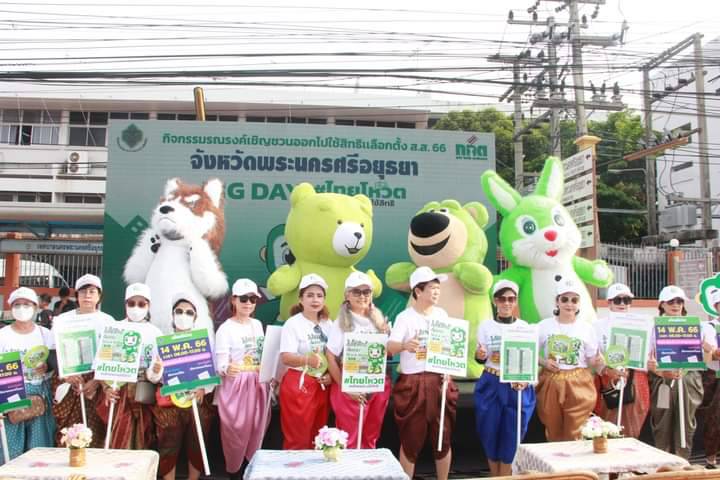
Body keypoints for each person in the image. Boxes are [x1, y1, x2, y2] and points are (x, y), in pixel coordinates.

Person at [388, 266, 458, 480]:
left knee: (443, 439)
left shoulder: (442, 315)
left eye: (438, 288)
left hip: (440, 381)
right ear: (418, 291)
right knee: (410, 440)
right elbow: (390, 347)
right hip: (413, 382)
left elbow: (449, 348)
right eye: (431, 288)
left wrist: (448, 370)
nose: (436, 292)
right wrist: (404, 345)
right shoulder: (405, 317)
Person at [149, 293, 216, 480]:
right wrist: (155, 370)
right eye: (179, 311)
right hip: (169, 402)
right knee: (168, 444)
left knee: (197, 443)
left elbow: (213, 371)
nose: (183, 315)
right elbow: (154, 377)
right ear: (172, 314)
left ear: (195, 317)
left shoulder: (205, 341)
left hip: (197, 400)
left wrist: (203, 388)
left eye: (188, 312)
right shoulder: (162, 342)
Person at [474, 280, 535, 476]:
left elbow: (530, 360)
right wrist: (480, 355)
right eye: (502, 299)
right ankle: (495, 476)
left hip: (516, 385)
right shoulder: (485, 326)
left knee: (514, 433)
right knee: (489, 431)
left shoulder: (525, 327)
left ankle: (506, 475)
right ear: (495, 301)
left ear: (516, 301)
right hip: (491, 382)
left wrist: (526, 380)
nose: (506, 303)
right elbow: (480, 356)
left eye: (511, 299)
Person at [326, 271, 391, 449]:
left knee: (371, 436)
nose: (362, 296)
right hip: (351, 387)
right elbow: (330, 356)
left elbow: (387, 353)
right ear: (347, 295)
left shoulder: (379, 320)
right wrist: (345, 387)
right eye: (357, 292)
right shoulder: (341, 322)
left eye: (366, 292)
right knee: (350, 439)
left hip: (376, 385)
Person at [50, 274, 113, 448]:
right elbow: (52, 353)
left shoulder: (108, 322)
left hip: (96, 381)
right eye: (83, 292)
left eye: (92, 292)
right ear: (76, 295)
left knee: (95, 431)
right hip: (69, 379)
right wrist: (67, 375)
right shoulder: (62, 320)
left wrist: (96, 380)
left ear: (99, 296)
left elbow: (112, 357)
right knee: (66, 432)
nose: (87, 296)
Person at [536, 279, 604, 441]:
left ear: (579, 303)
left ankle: (574, 466)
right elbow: (530, 352)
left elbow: (591, 360)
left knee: (576, 430)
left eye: (574, 300)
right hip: (551, 380)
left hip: (579, 382)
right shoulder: (544, 326)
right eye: (564, 299)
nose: (569, 304)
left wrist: (599, 360)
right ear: (557, 302)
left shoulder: (587, 328)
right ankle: (556, 464)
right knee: (552, 428)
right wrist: (545, 362)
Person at [215, 279, 270, 479]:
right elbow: (220, 363)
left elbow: (264, 354)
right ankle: (235, 473)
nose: (248, 303)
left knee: (257, 428)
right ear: (234, 300)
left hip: (258, 386)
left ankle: (252, 471)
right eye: (244, 298)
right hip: (236, 389)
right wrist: (226, 368)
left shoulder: (257, 325)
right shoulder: (225, 329)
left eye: (253, 299)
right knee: (235, 431)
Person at [99, 283, 162, 449]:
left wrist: (155, 371)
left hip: (145, 391)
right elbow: (103, 364)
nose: (136, 308)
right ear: (125, 304)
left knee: (145, 435)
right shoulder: (114, 329)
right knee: (119, 436)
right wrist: (106, 388)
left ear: (148, 306)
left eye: (141, 304)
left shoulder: (156, 333)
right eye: (131, 303)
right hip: (119, 392)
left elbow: (157, 372)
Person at [648, 285, 705, 459]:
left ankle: (682, 461)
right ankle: (662, 462)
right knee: (662, 422)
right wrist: (660, 372)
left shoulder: (696, 326)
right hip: (663, 383)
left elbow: (704, 358)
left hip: (688, 381)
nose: (676, 305)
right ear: (662, 305)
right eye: (671, 301)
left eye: (679, 301)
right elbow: (648, 361)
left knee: (686, 423)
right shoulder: (652, 327)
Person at [0, 287, 55, 463]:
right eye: (17, 304)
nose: (22, 308)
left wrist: (47, 367)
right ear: (11, 307)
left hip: (39, 392)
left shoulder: (45, 334)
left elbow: (55, 364)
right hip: (10, 392)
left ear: (35, 307)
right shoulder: (3, 335)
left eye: (26, 304)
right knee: (10, 444)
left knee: (39, 445)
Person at [279, 273, 333, 450]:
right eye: (309, 295)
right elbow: (286, 357)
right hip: (298, 385)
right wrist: (307, 360)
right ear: (300, 299)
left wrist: (330, 375)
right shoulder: (293, 324)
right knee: (298, 438)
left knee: (319, 438)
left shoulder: (328, 324)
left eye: (319, 295)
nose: (315, 300)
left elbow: (333, 355)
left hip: (321, 385)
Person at [593, 283, 651, 438]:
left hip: (636, 378)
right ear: (609, 302)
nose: (623, 304)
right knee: (607, 424)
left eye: (627, 300)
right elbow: (594, 355)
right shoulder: (597, 326)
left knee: (635, 421)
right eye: (618, 300)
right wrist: (607, 369)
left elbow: (648, 353)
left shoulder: (644, 324)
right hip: (609, 379)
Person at [701, 289, 720, 468]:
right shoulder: (708, 327)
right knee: (714, 416)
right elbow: (711, 354)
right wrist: (712, 351)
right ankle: (711, 458)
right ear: (716, 306)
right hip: (714, 377)